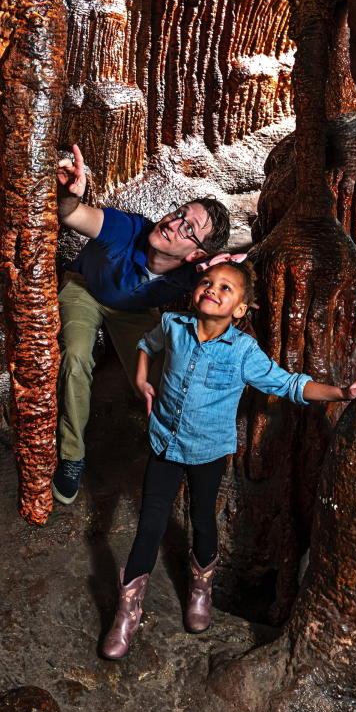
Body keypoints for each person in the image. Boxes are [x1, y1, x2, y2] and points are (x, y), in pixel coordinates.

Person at [100, 259, 356, 659]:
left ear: (239, 309)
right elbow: (147, 344)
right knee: (150, 523)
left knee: (202, 519)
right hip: (164, 441)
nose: (212, 289)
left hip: (208, 450)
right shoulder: (173, 326)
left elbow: (290, 384)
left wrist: (343, 393)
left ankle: (201, 588)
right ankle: (127, 612)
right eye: (207, 282)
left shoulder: (243, 352)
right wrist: (143, 380)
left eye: (226, 288)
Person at [53, 143, 241, 505]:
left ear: (197, 253)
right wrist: (68, 195)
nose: (173, 223)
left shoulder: (194, 273)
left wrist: (228, 271)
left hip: (134, 312)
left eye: (188, 228)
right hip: (86, 290)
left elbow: (235, 283)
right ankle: (72, 455)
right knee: (76, 358)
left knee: (163, 376)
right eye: (179, 213)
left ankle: (176, 454)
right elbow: (74, 215)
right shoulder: (126, 228)